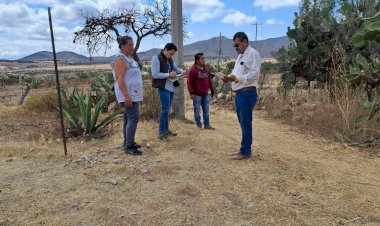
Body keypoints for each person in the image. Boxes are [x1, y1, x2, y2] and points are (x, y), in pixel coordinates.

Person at [223, 32, 261, 160]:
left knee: (245, 123)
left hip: (247, 93)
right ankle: (244, 149)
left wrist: (237, 78)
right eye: (234, 46)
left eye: (237, 45)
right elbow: (236, 73)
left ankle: (245, 152)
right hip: (240, 93)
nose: (236, 48)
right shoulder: (240, 56)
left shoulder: (253, 54)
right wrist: (229, 77)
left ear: (244, 42)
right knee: (242, 122)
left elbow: (254, 74)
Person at [111, 36, 143, 155]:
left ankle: (128, 142)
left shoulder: (128, 58)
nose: (132, 47)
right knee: (133, 118)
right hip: (128, 95)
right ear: (123, 46)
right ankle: (129, 146)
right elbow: (120, 79)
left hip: (133, 94)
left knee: (128, 119)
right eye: (130, 45)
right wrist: (126, 96)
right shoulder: (120, 59)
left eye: (132, 44)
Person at [151, 43, 184, 140]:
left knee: (167, 110)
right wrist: (168, 75)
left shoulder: (169, 59)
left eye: (173, 54)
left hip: (171, 87)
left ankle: (166, 130)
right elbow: (155, 74)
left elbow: (175, 68)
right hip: (163, 87)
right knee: (165, 110)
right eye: (170, 53)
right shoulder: (156, 58)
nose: (171, 56)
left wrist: (180, 71)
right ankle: (161, 133)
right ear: (165, 50)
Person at [187, 53, 215, 129]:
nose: (204, 60)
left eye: (204, 58)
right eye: (202, 59)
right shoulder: (192, 70)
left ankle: (207, 125)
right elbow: (189, 82)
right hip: (196, 95)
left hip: (205, 94)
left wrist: (212, 90)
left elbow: (209, 80)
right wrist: (191, 93)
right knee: (197, 111)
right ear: (197, 60)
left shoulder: (206, 69)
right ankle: (198, 125)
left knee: (206, 111)